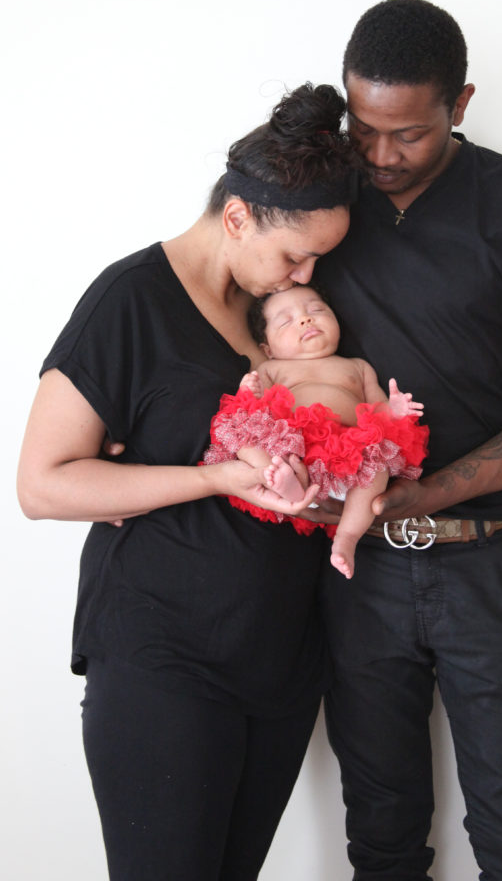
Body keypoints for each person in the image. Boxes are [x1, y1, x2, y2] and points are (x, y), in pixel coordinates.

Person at [16, 83, 359, 881]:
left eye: (317, 262)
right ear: (237, 216)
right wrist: (220, 479)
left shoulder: (272, 318)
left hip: (278, 664)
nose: (303, 277)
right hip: (163, 658)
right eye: (293, 255)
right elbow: (43, 485)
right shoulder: (130, 301)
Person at [314, 0, 502, 880]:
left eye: (411, 135)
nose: (382, 157)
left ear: (461, 105)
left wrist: (419, 494)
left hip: (489, 565)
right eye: (364, 129)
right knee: (382, 841)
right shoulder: (320, 201)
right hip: (354, 576)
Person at [201, 282, 428, 578]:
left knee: (379, 461)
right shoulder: (272, 369)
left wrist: (395, 410)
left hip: (346, 457)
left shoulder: (358, 367)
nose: (306, 319)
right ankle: (285, 485)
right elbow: (255, 410)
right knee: (240, 426)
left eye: (316, 310)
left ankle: (347, 537)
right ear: (267, 348)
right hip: (292, 447)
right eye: (286, 320)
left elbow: (378, 411)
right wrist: (249, 391)